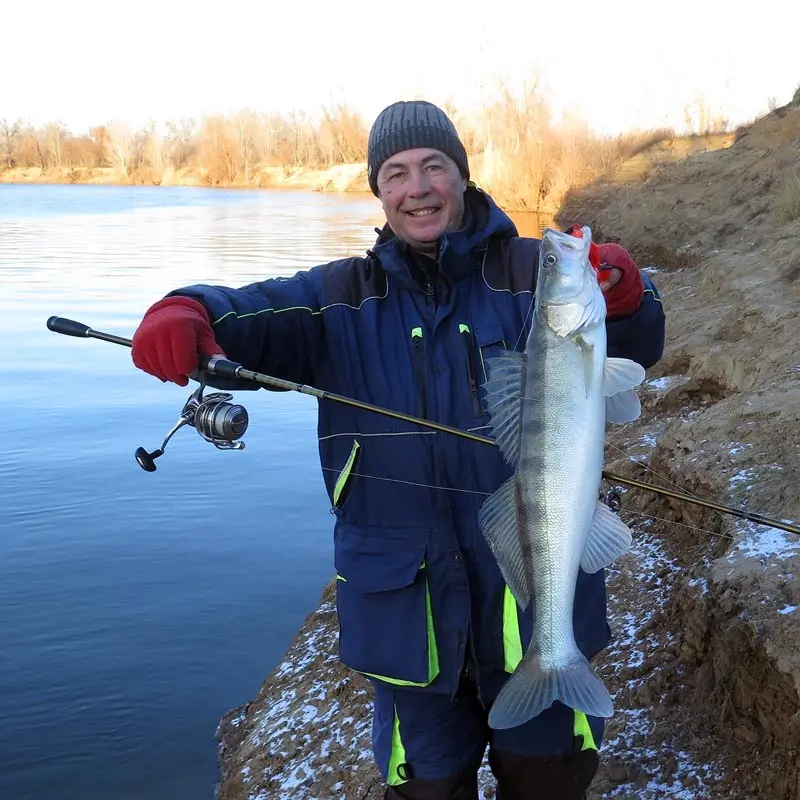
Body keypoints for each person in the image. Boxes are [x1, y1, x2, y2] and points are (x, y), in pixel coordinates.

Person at [130, 100, 666, 799]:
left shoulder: (536, 271)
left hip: (529, 602)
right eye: (397, 172)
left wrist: (625, 297)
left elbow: (636, 344)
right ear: (379, 191)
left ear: (463, 177)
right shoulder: (336, 299)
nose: (418, 187)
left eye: (434, 167)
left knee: (549, 781)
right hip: (410, 620)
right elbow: (244, 314)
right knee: (425, 790)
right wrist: (186, 308)